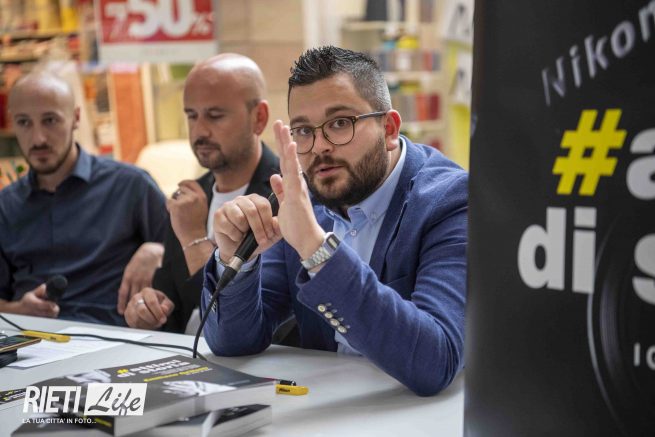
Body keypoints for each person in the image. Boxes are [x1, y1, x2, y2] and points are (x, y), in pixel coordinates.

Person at [200, 46, 468, 396]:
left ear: (389, 129)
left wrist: (317, 250)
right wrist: (235, 261)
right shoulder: (304, 198)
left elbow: (435, 361)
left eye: (340, 123)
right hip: (324, 406)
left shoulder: (451, 200)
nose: (319, 147)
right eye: (303, 130)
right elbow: (233, 342)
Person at [123, 54, 281, 335]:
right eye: (191, 115)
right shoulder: (188, 199)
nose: (199, 131)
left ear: (259, 118)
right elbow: (172, 306)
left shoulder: (286, 194)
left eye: (215, 116)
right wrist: (147, 310)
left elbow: (248, 319)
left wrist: (194, 238)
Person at [0, 71, 167, 326]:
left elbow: (188, 261)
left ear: (76, 118)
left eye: (50, 120)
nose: (38, 138)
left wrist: (158, 249)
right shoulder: (5, 206)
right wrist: (18, 310)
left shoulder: (130, 186)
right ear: (12, 123)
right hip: (29, 339)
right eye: (24, 122)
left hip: (114, 335)